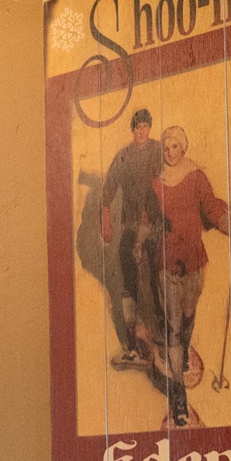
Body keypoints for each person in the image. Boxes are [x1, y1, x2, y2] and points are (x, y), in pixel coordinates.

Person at [151, 124, 231, 426]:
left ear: (184, 148)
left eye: (175, 147)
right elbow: (145, 218)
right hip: (166, 263)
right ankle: (179, 395)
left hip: (193, 262)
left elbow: (212, 207)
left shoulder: (195, 176)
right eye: (165, 148)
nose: (170, 153)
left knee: (188, 318)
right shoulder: (154, 181)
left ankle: (184, 355)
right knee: (174, 328)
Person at [78, 109, 168, 374]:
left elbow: (167, 180)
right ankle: (131, 343)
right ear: (133, 130)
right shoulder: (124, 155)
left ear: (150, 129)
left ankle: (163, 337)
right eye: (138, 127)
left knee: (154, 274)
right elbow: (109, 185)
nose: (142, 131)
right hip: (130, 223)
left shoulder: (158, 152)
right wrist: (105, 217)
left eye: (146, 127)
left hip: (153, 222)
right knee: (128, 276)